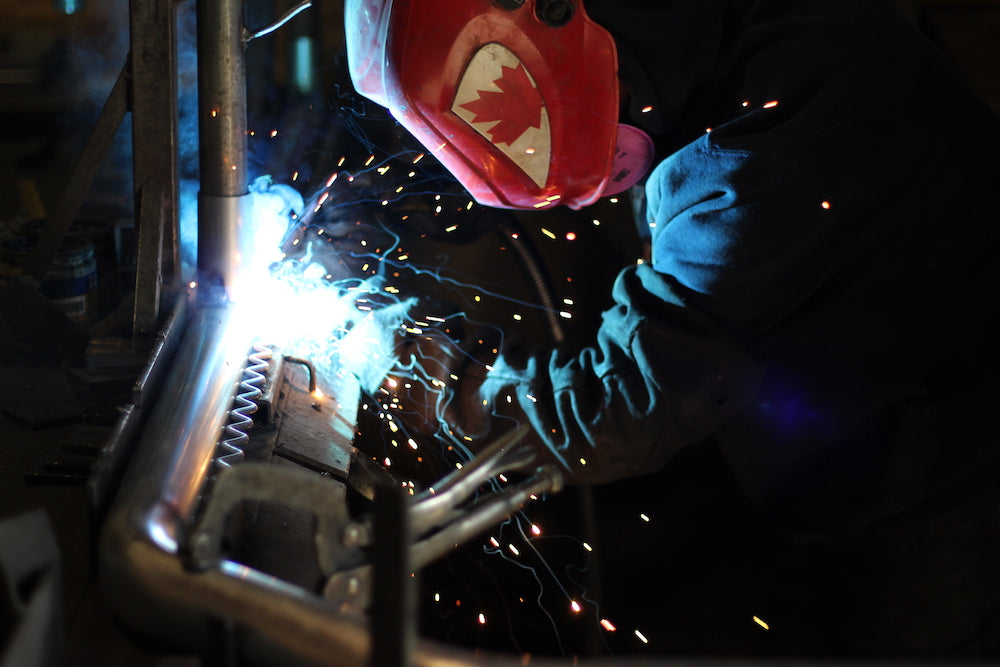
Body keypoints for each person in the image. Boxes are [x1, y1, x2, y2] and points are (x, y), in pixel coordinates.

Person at [344, 0, 1000, 657]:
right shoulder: (687, 36)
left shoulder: (760, 161)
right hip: (850, 417)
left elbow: (617, 409)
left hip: (935, 481)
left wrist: (417, 371)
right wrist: (410, 193)